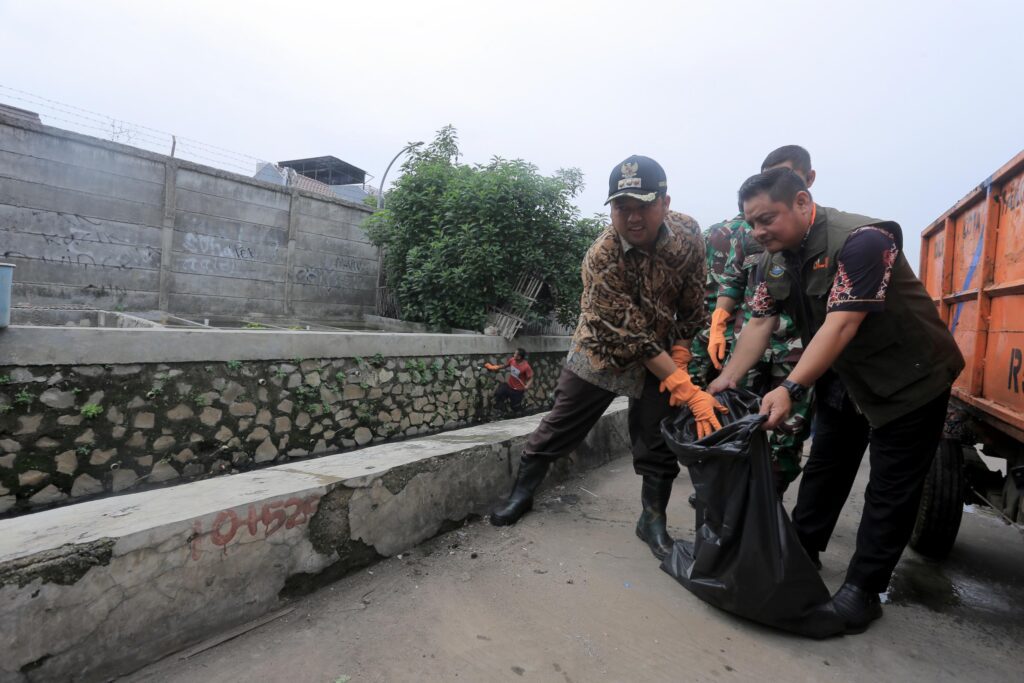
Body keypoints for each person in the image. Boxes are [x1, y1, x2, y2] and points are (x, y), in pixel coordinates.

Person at [709, 168, 964, 633]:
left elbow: (842, 323)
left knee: (889, 488)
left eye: (767, 218)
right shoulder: (772, 261)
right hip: (845, 377)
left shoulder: (864, 241)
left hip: (909, 378)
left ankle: (864, 590)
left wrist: (790, 388)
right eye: (752, 223)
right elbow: (760, 322)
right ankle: (801, 550)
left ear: (803, 202)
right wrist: (726, 380)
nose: (759, 231)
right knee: (827, 467)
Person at [490, 154, 725, 561]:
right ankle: (522, 493)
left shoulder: (688, 235)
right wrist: (682, 385)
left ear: (665, 203)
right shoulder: (601, 256)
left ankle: (652, 519)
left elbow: (692, 300)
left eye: (643, 206)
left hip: (661, 351)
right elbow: (628, 334)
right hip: (601, 349)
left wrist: (681, 354)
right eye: (621, 207)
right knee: (562, 424)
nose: (632, 218)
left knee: (656, 434)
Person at [702, 146, 817, 494]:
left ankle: (771, 496)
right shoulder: (749, 231)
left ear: (808, 181)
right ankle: (731, 490)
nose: (759, 229)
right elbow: (733, 279)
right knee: (736, 414)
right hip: (750, 340)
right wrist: (719, 321)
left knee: (787, 429)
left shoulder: (818, 233)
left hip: (795, 347)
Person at [484, 348, 533, 414]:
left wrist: (527, 386)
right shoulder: (512, 360)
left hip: (518, 390)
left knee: (515, 408)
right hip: (509, 386)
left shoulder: (526, 367)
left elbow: (531, 378)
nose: (514, 354)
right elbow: (505, 365)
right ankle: (501, 409)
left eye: (515, 354)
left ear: (519, 357)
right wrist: (495, 367)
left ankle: (518, 412)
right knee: (499, 393)